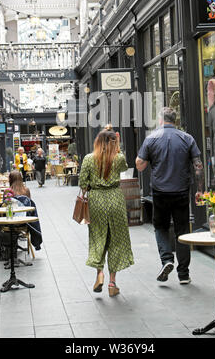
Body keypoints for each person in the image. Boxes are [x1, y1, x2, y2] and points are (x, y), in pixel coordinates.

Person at [136, 107, 204, 285]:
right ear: (175, 120)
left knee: (161, 227)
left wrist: (144, 157)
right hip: (181, 191)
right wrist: (200, 190)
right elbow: (198, 165)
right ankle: (183, 274)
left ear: (160, 120)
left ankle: (167, 259)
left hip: (160, 192)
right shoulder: (187, 138)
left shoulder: (151, 138)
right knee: (182, 231)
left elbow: (140, 166)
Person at [79, 129, 134, 297]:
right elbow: (125, 166)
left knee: (98, 236)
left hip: (96, 201)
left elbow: (82, 183)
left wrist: (91, 185)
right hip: (115, 199)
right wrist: (117, 147)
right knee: (116, 239)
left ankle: (100, 274)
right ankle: (112, 283)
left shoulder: (89, 159)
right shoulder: (118, 158)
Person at [8, 170, 42, 250]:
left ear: (10, 179)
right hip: (26, 222)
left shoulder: (8, 191)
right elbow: (29, 205)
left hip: (11, 222)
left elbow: (5, 207)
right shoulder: (26, 190)